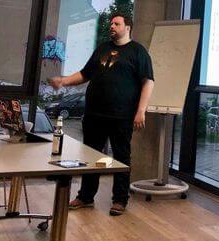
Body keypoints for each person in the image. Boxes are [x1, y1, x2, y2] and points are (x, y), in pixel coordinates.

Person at [48, 12, 154, 216]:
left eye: (116, 23)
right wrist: (63, 81)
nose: (111, 26)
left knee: (121, 157)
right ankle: (86, 196)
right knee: (91, 156)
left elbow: (148, 81)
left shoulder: (138, 52)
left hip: (122, 115)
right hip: (94, 114)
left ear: (127, 27)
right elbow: (84, 74)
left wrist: (141, 111)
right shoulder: (103, 48)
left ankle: (120, 199)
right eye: (111, 23)